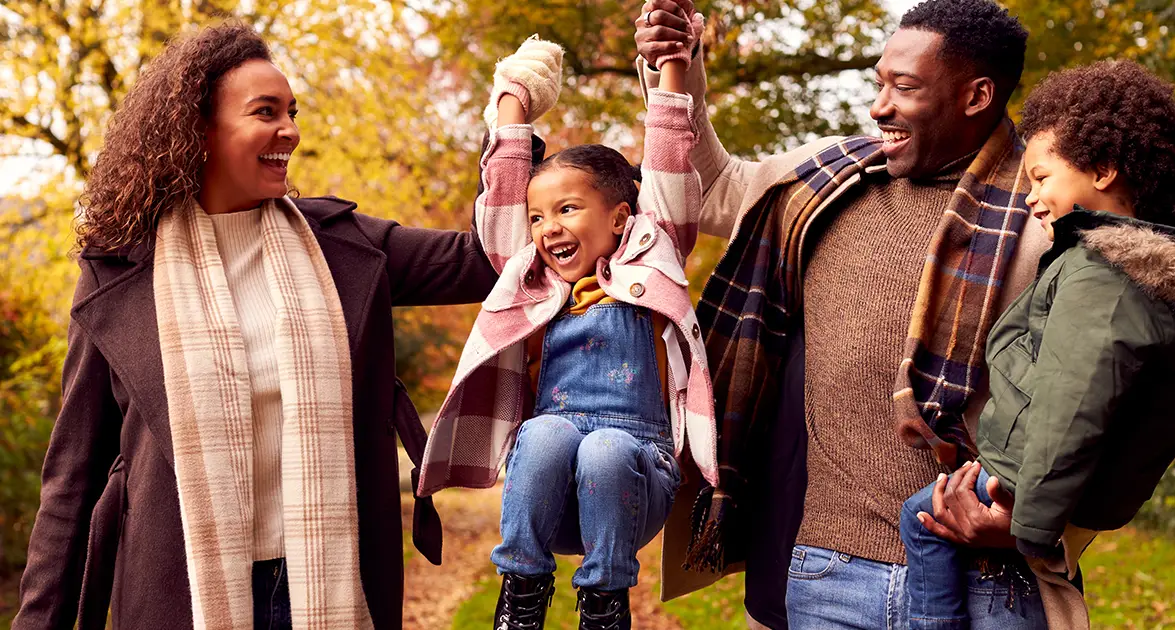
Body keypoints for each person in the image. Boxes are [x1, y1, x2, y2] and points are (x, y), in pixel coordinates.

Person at [14, 21, 507, 629]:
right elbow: (72, 481)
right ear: (198, 128)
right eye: (266, 112)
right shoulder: (119, 273)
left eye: (292, 112)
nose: (291, 132)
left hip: (326, 590)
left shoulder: (343, 246)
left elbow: (491, 260)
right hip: (179, 599)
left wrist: (511, 117)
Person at [633, 0, 1092, 628]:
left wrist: (1036, 525)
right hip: (828, 572)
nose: (879, 105)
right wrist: (679, 72)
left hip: (991, 578)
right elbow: (713, 187)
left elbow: (1116, 398)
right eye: (881, 81)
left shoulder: (1047, 219)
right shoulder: (828, 179)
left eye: (903, 87)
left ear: (976, 95)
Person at [415, 14, 716, 630]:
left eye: (569, 209)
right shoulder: (529, 281)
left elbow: (667, 161)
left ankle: (605, 604)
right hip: (548, 478)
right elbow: (499, 199)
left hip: (637, 472)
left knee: (605, 447)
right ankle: (521, 591)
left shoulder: (652, 257)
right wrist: (512, 99)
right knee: (549, 432)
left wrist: (674, 66)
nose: (547, 226)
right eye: (538, 216)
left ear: (621, 219)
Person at [900, 59, 1175, 630]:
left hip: (1020, 481)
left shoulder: (1101, 274)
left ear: (1105, 169)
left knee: (922, 518)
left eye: (1041, 177)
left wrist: (1028, 527)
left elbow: (1072, 403)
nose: (1031, 197)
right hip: (1065, 484)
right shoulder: (1162, 265)